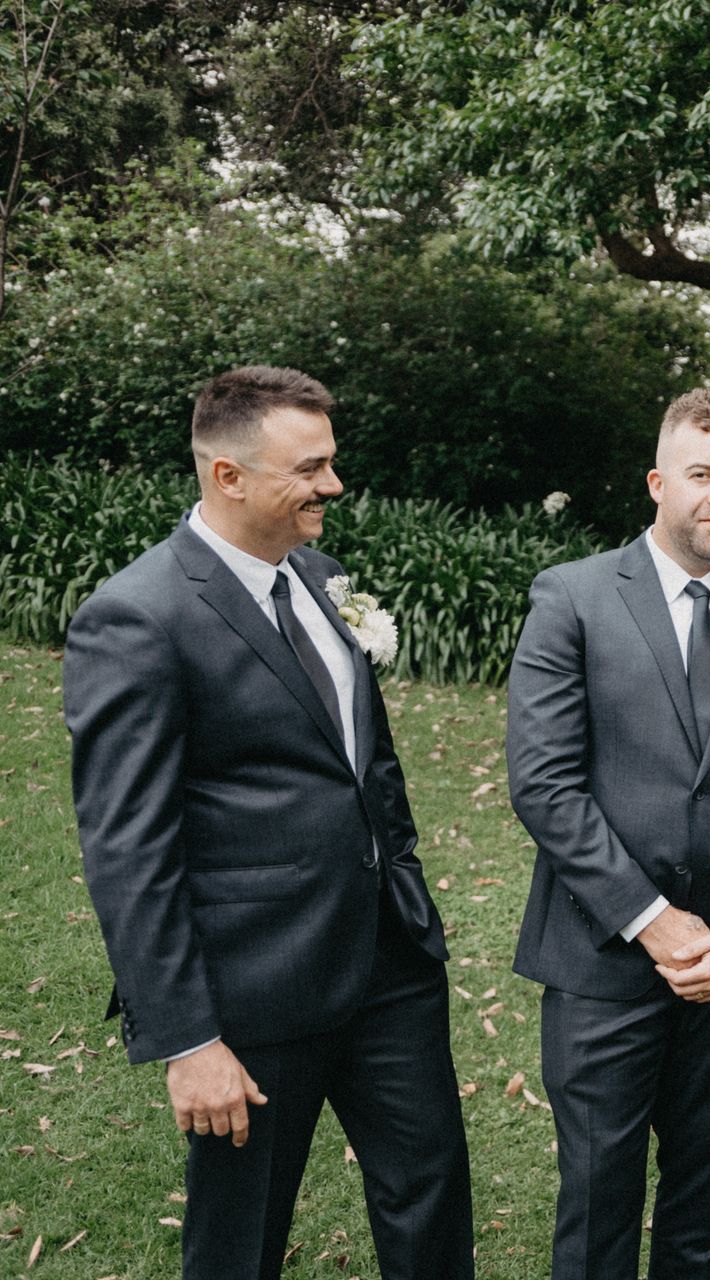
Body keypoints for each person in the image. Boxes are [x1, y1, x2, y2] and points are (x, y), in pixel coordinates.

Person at [63, 365, 473, 1279]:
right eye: (311, 467)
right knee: (242, 1236)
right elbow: (128, 848)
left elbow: (368, 760)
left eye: (331, 462)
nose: (333, 484)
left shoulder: (324, 579)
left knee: (431, 1194)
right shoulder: (138, 618)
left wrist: (398, 871)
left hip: (389, 963)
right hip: (255, 991)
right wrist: (185, 1038)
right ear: (228, 477)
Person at [506, 389, 710, 1280]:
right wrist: (651, 917)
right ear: (659, 482)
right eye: (701, 475)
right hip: (601, 958)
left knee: (701, 1204)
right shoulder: (572, 599)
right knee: (597, 1202)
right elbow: (543, 783)